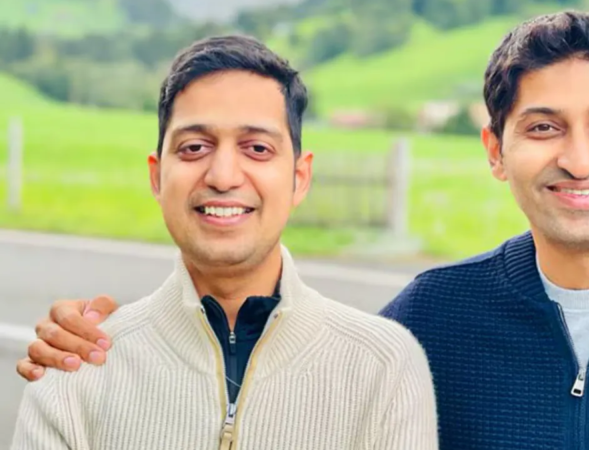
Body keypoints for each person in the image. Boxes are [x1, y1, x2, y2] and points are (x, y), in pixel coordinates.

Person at [17, 11, 589, 450]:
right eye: (542, 128)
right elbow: (289, 367)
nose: (578, 158)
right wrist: (101, 341)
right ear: (495, 151)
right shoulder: (429, 320)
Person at [11, 34, 438, 450]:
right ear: (157, 177)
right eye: (195, 147)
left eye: (257, 148)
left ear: (299, 177)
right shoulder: (73, 370)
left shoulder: (383, 368)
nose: (223, 176)